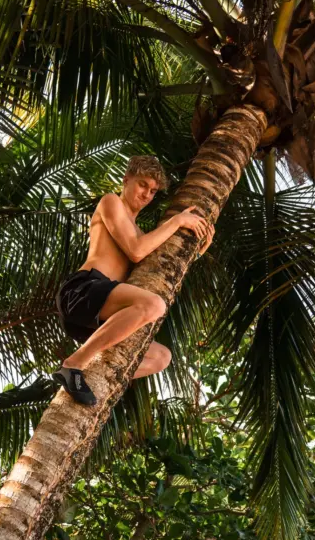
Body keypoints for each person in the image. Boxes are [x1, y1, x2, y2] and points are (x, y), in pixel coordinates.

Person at [52, 154, 212, 406]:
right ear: (126, 180)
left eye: (153, 190)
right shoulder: (111, 202)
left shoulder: (141, 234)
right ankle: (74, 364)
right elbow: (136, 250)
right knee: (154, 306)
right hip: (82, 291)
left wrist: (196, 250)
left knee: (161, 357)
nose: (147, 194)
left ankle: (89, 378)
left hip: (99, 316)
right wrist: (178, 220)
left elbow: (160, 267)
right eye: (142, 184)